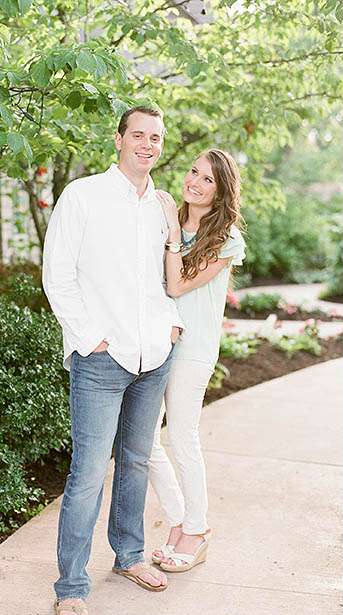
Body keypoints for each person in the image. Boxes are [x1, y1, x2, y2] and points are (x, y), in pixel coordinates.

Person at [43, 106, 184, 615]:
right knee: (86, 476)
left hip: (154, 354)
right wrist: (89, 339)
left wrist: (170, 325)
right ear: (120, 139)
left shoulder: (162, 206)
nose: (149, 144)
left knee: (136, 461)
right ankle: (72, 588)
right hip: (102, 358)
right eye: (140, 135)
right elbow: (57, 274)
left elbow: (163, 277)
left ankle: (129, 555)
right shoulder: (83, 196)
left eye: (157, 138)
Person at [148, 149, 246, 573]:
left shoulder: (226, 238)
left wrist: (172, 231)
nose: (195, 182)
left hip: (193, 350)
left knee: (183, 437)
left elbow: (177, 284)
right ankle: (178, 520)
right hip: (153, 343)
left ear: (221, 191)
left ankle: (197, 529)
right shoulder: (162, 217)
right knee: (143, 440)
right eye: (193, 172)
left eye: (208, 179)